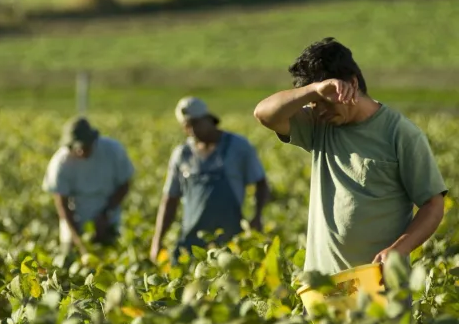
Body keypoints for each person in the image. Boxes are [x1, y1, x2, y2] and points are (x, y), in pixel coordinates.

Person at [253, 37, 447, 277]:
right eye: (313, 103)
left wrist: (399, 249)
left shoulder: (400, 133)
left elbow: (433, 204)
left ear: (352, 84)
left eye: (324, 101)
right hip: (324, 285)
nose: (319, 110)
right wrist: (314, 91)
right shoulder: (318, 125)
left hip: (379, 283)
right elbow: (264, 114)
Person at [150, 97, 270, 264]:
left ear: (209, 119)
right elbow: (170, 199)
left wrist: (257, 216)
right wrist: (157, 241)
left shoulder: (238, 146)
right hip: (192, 243)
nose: (192, 130)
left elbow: (261, 183)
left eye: (196, 123)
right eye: (187, 126)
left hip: (230, 240)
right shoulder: (182, 154)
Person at [42, 116, 134, 255]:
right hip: (74, 224)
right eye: (76, 148)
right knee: (69, 262)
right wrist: (78, 240)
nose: (81, 151)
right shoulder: (61, 163)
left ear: (93, 140)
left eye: (85, 146)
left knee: (109, 261)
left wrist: (105, 215)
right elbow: (62, 204)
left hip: (108, 221)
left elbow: (124, 185)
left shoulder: (112, 151)